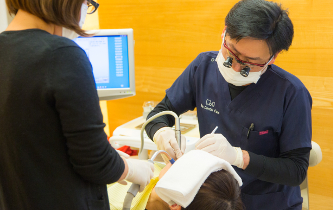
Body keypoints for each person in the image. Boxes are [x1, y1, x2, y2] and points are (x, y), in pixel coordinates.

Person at [145, 0, 312, 209]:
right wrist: (161, 132)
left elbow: (296, 170)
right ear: (224, 33)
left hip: (267, 203)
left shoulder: (291, 93)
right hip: (215, 201)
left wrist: (238, 157)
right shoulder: (203, 68)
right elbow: (159, 114)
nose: (234, 66)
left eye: (249, 63)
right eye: (231, 53)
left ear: (272, 58)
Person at [0, 0, 154, 209]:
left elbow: (34, 140)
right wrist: (133, 169)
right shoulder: (61, 54)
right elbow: (95, 162)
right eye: (87, 2)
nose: (85, 10)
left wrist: (103, 152)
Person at [107, 152, 244, 210]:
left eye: (189, 171)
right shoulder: (159, 173)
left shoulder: (113, 203)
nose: (181, 159)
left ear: (175, 205)